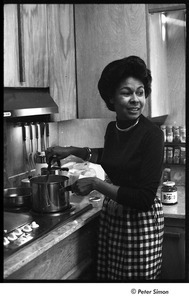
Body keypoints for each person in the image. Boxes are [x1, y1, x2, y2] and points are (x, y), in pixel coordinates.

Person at [46, 55, 164, 281]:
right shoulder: (114, 127)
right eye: (126, 92)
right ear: (111, 97)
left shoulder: (152, 135)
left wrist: (95, 184)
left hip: (140, 223)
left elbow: (144, 199)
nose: (135, 100)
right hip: (115, 215)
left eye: (140, 92)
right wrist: (72, 149)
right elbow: (110, 157)